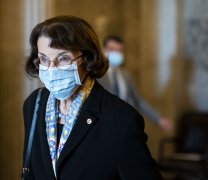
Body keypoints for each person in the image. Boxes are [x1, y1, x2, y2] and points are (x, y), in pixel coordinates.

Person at [23, 16, 162, 180]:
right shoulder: (34, 104)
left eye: (63, 58)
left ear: (87, 58)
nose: (51, 69)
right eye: (44, 59)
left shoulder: (122, 120)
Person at [98, 35, 173, 132]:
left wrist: (158, 118)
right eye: (112, 49)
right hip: (104, 127)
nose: (116, 53)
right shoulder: (97, 75)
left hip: (124, 126)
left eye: (119, 51)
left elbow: (138, 100)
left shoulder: (125, 74)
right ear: (104, 50)